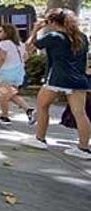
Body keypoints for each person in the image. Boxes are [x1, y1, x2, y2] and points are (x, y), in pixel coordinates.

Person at [23, 9, 90, 158]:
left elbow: (29, 47)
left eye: (48, 22)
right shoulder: (82, 37)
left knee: (42, 106)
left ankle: (40, 138)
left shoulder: (54, 36)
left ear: (53, 22)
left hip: (58, 78)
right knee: (80, 113)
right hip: (79, 80)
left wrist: (35, 30)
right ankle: (84, 148)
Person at [0, 24, 34, 124]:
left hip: (6, 72)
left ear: (7, 33)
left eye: (0, 31)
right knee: (11, 94)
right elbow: (25, 57)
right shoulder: (20, 44)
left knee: (2, 94)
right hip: (18, 72)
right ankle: (28, 110)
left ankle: (5, 117)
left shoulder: (3, 44)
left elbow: (1, 59)